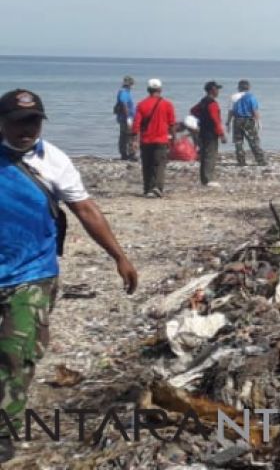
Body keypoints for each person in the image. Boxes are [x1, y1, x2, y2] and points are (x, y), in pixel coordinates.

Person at [0, 89, 137, 461]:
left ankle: (4, 431)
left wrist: (119, 256)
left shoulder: (54, 160)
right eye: (17, 122)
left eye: (33, 122)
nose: (26, 130)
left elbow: (86, 211)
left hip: (32, 272)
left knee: (16, 354)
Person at [131, 79, 176, 198]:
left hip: (146, 140)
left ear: (148, 90)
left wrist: (134, 140)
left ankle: (147, 188)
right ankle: (157, 187)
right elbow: (172, 124)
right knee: (160, 164)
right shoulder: (167, 104)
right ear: (160, 90)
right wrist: (173, 138)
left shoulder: (141, 104)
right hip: (161, 139)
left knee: (147, 165)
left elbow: (136, 124)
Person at [190, 82, 227, 188]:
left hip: (203, 131)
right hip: (211, 133)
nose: (218, 92)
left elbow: (193, 110)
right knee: (210, 155)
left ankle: (205, 178)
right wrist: (222, 134)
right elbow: (216, 120)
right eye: (217, 90)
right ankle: (208, 179)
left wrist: (202, 118)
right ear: (212, 90)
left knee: (205, 154)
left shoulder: (203, 101)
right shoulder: (212, 104)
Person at [225, 80, 266, 167]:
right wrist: (258, 121)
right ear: (248, 87)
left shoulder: (233, 97)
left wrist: (228, 123)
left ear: (239, 87)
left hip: (237, 120)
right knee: (253, 141)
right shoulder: (251, 97)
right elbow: (255, 110)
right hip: (248, 120)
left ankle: (241, 161)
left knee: (238, 142)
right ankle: (260, 160)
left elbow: (230, 112)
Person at [113, 76, 136, 161]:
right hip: (125, 118)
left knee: (124, 136)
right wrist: (128, 119)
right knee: (130, 135)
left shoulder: (124, 92)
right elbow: (124, 105)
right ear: (130, 84)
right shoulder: (124, 92)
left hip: (123, 118)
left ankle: (124, 154)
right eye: (132, 84)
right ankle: (130, 154)